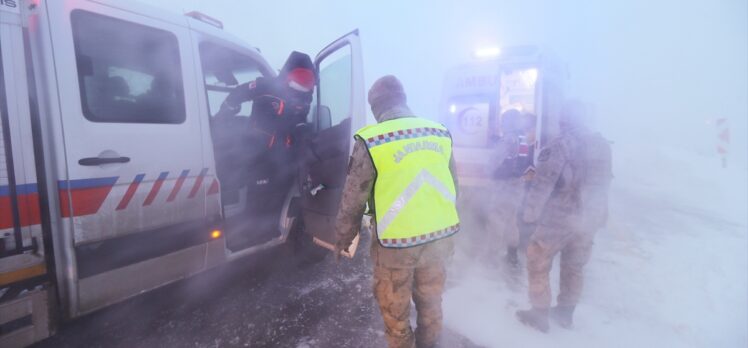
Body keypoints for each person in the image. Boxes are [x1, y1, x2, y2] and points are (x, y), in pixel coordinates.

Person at [334, 75, 460, 348]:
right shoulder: (438, 132)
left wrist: (343, 238)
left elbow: (354, 197)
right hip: (439, 238)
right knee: (431, 302)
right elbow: (454, 186)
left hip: (396, 246)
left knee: (395, 312)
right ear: (403, 99)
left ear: (376, 107)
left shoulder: (373, 139)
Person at [515, 100, 613, 332]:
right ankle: (565, 313)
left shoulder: (561, 145)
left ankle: (539, 314)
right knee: (574, 266)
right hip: (589, 217)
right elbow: (605, 182)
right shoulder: (602, 144)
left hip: (561, 217)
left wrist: (529, 215)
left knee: (537, 260)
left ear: (565, 119)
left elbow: (543, 183)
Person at [218, 51, 316, 150]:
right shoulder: (266, 86)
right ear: (287, 79)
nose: (300, 91)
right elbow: (240, 92)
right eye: (296, 84)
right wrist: (225, 110)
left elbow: (301, 117)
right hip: (253, 149)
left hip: (284, 155)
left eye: (305, 87)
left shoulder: (306, 98)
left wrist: (302, 129)